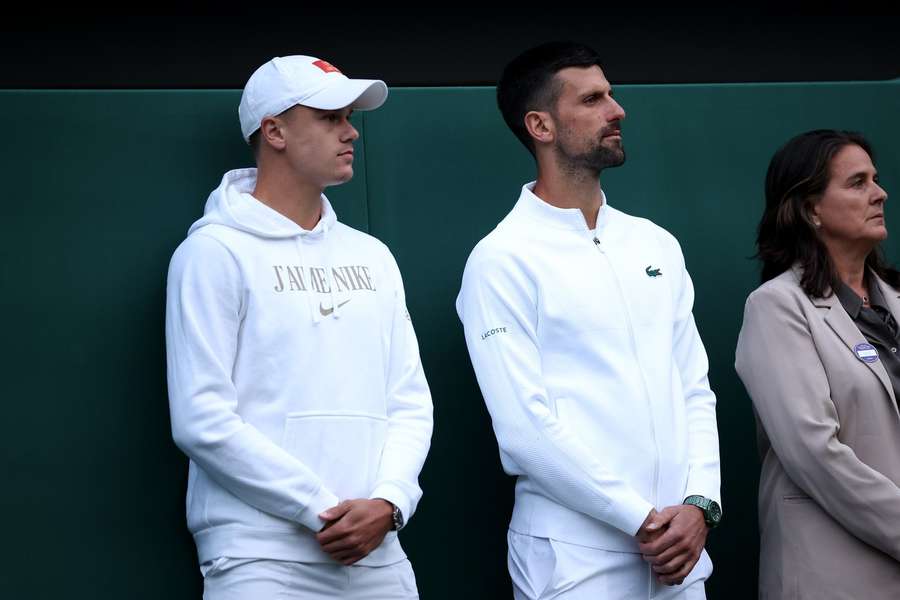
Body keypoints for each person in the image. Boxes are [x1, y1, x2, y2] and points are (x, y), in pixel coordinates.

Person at [455, 41, 721, 599]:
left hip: (679, 554)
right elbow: (524, 431)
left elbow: (693, 387)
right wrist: (642, 519)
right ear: (541, 125)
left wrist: (699, 504)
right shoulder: (502, 258)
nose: (617, 109)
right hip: (574, 559)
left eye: (612, 94)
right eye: (593, 99)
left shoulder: (655, 243)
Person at [165, 55, 433, 599]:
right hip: (259, 557)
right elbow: (201, 419)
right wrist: (318, 509)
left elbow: (408, 399)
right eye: (330, 116)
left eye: (349, 116)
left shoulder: (373, 255)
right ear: (274, 131)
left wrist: (389, 501)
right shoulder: (212, 254)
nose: (350, 130)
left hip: (378, 552)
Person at [735, 129, 900, 597]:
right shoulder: (776, 306)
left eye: (876, 179)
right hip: (832, 573)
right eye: (857, 182)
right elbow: (815, 452)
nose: (879, 192)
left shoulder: (895, 300)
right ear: (810, 210)